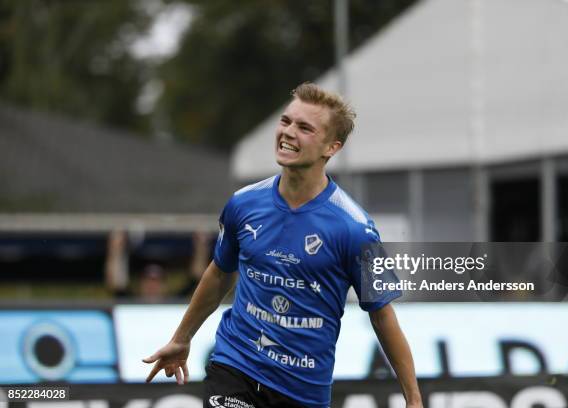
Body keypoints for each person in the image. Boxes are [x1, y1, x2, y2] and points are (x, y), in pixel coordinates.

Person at [143, 83, 423, 408]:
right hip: (236, 364)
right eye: (286, 121)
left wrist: (413, 400)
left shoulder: (355, 229)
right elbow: (220, 273)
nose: (288, 133)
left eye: (304, 127)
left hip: (302, 390)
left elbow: (383, 316)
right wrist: (181, 338)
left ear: (331, 148)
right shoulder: (243, 204)